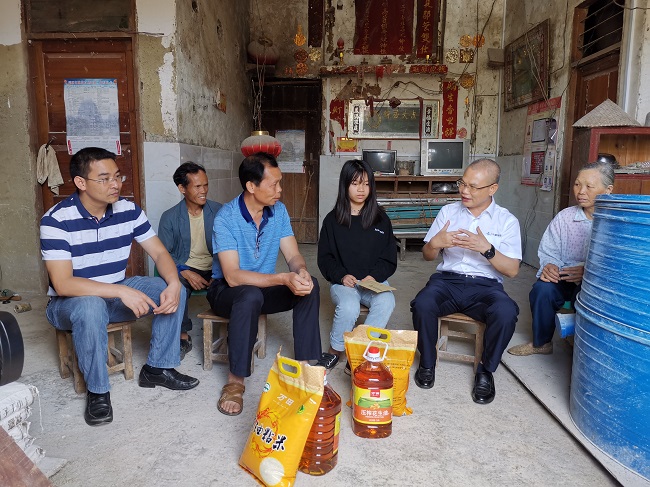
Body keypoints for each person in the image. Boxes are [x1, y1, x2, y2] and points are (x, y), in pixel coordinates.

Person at [40, 147, 199, 427]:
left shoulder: (128, 211)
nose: (115, 184)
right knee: (90, 306)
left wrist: (174, 283)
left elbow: (160, 253)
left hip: (115, 293)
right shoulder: (56, 220)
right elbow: (63, 284)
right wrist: (122, 291)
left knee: (171, 287)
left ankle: (158, 368)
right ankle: (98, 392)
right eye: (104, 179)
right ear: (80, 182)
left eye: (117, 176)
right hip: (70, 304)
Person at [207, 152, 323, 416]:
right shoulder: (226, 218)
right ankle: (235, 382)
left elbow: (292, 255)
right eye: (274, 184)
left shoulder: (278, 211)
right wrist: (282, 278)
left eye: (279, 183)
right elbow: (233, 276)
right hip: (226, 291)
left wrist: (301, 272)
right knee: (249, 295)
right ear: (251, 186)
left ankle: (305, 365)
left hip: (262, 289)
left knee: (311, 286)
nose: (279, 190)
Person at [411, 158, 522, 405]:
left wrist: (487, 249)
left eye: (473, 186)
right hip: (447, 281)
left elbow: (512, 270)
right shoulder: (448, 212)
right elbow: (428, 256)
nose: (464, 190)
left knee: (506, 312)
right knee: (423, 304)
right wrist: (435, 243)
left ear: (492, 188)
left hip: (486, 287)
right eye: (462, 183)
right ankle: (427, 363)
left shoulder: (506, 221)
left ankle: (485, 371)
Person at [508, 160, 614, 356]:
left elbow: (616, 264)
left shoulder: (615, 222)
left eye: (589, 186)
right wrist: (550, 265)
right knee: (542, 290)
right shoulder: (565, 217)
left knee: (587, 296)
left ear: (608, 190)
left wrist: (588, 272)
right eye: (577, 184)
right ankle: (541, 343)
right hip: (564, 276)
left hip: (595, 282)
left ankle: (583, 346)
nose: (581, 191)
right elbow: (549, 250)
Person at [317, 159, 397, 371]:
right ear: (345, 185)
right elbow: (324, 259)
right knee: (349, 306)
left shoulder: (381, 219)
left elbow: (389, 259)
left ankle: (360, 353)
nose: (361, 189)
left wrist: (375, 276)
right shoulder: (332, 220)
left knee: (387, 301)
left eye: (366, 184)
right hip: (344, 283)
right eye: (355, 183)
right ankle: (335, 350)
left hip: (373, 282)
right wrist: (341, 276)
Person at [158, 162, 222, 359]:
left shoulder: (219, 211)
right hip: (186, 267)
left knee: (232, 284)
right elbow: (163, 253)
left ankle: (230, 332)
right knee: (177, 286)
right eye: (197, 186)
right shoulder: (169, 217)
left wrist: (219, 272)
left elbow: (230, 248)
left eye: (206, 185)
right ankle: (183, 337)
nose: (203, 191)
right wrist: (184, 271)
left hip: (216, 266)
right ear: (182, 188)